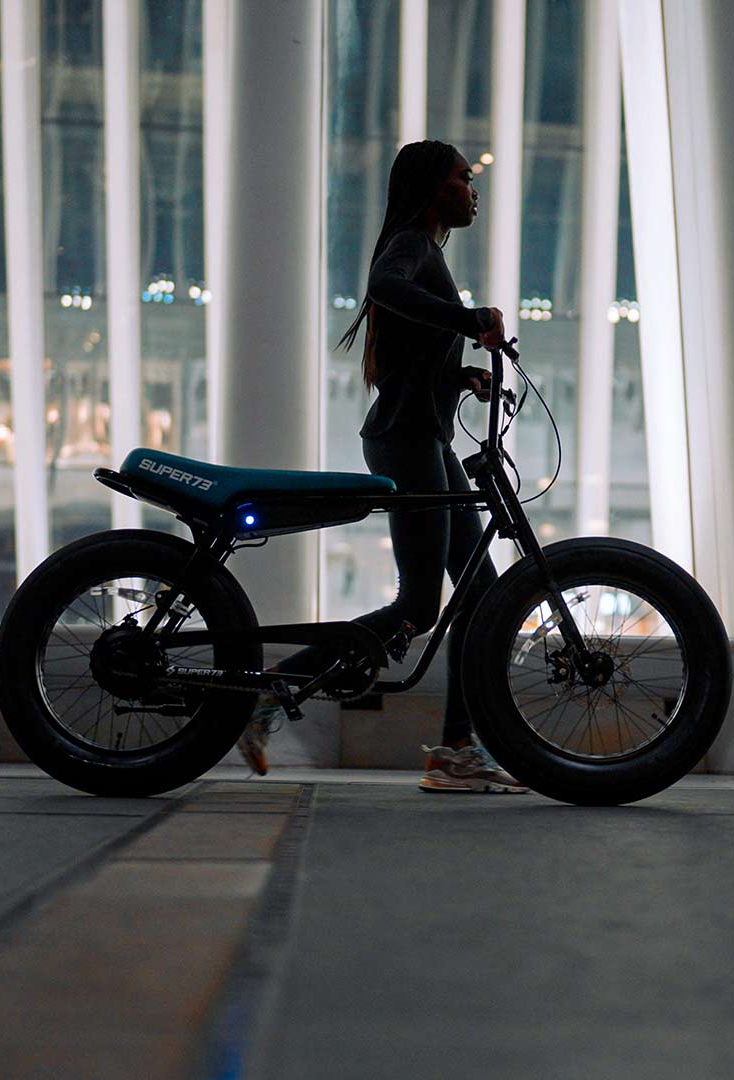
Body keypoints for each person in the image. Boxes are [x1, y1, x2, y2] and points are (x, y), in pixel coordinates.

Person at [238, 140, 527, 794]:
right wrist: (466, 317)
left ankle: (458, 751)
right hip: (406, 442)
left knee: (480, 594)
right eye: (463, 178)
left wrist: (464, 375)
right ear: (433, 188)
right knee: (421, 605)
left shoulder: (426, 251)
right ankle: (266, 696)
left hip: (424, 438)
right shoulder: (411, 246)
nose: (473, 190)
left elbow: (413, 362)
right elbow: (381, 287)